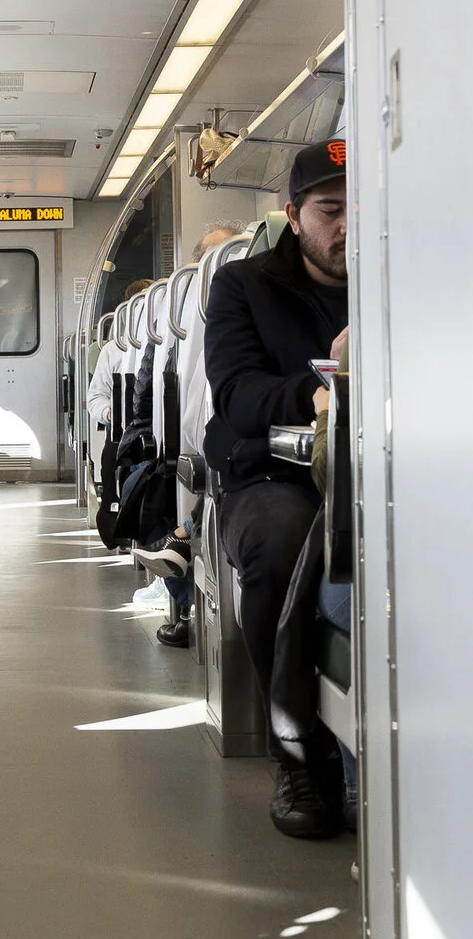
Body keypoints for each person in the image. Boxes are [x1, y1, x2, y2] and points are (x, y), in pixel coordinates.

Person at [200, 140, 348, 839]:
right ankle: (298, 749)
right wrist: (324, 385)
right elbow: (236, 394)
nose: (346, 225)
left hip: (381, 468)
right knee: (282, 544)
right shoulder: (243, 286)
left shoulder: (404, 278)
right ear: (293, 215)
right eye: (330, 209)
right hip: (271, 474)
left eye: (361, 209)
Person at [134, 222, 249, 647]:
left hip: (204, 441)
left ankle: (180, 546)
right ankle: (181, 565)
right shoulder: (181, 315)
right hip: (171, 438)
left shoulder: (246, 311)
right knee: (155, 481)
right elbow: (151, 397)